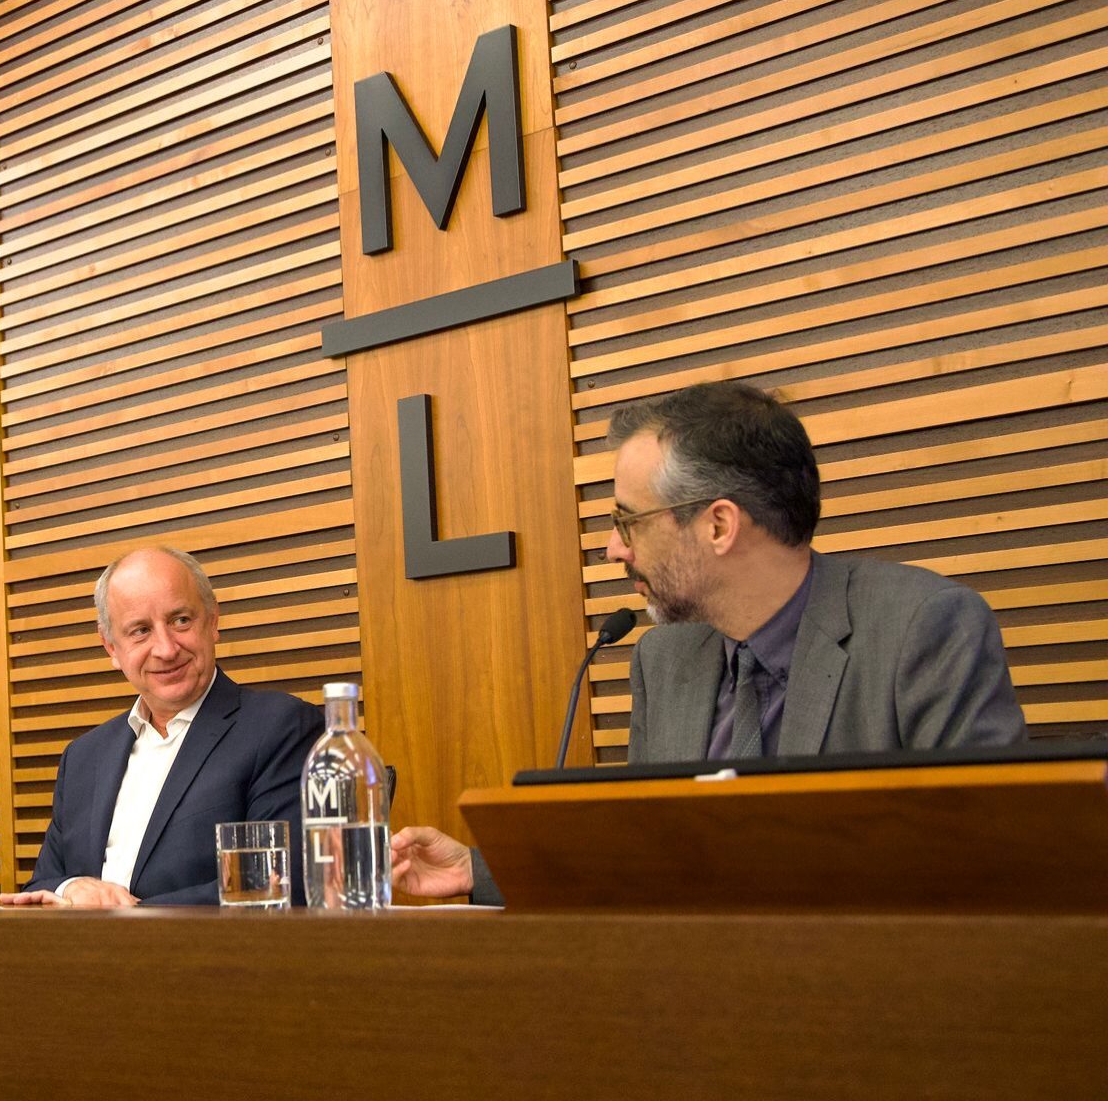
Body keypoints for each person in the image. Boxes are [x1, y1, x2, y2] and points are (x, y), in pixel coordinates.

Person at [392, 381, 1027, 903]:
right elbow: (643, 855)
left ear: (719, 525)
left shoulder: (923, 628)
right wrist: (479, 870)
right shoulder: (665, 659)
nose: (613, 548)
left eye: (627, 522)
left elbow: (989, 865)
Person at [0, 547, 324, 907]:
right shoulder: (82, 757)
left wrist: (126, 915)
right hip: (77, 944)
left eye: (181, 620)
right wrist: (71, 888)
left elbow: (279, 883)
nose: (166, 649)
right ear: (111, 647)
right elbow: (42, 884)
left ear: (212, 621)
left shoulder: (281, 728)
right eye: (140, 631)